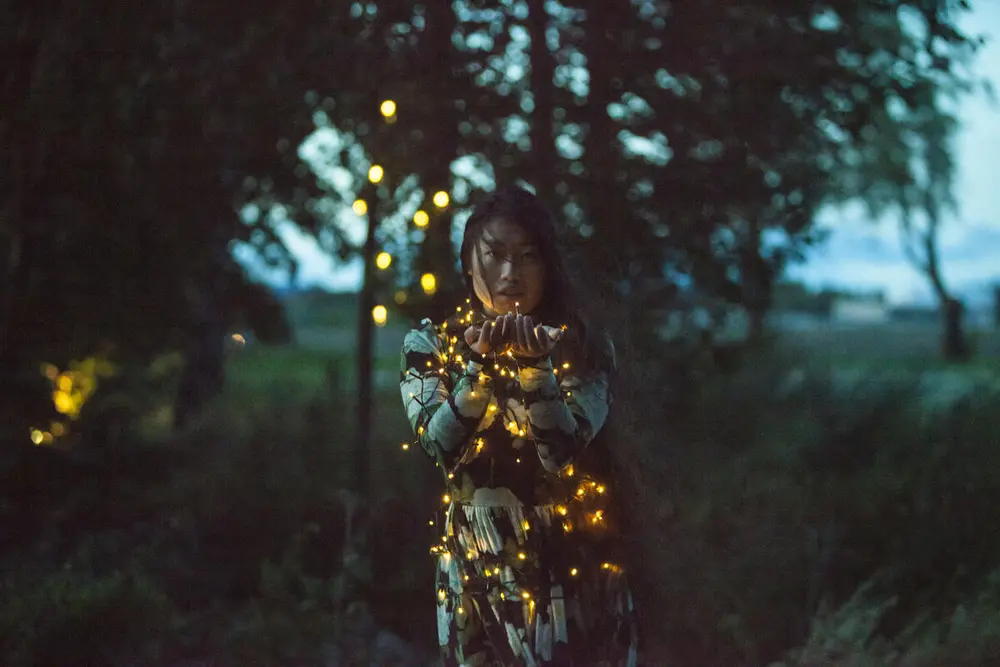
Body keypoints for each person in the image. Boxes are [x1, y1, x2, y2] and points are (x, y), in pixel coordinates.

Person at [399, 186, 640, 666]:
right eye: (495, 255)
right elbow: (440, 445)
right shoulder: (431, 344)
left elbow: (560, 452)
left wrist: (536, 370)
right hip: (473, 569)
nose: (510, 274)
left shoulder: (583, 348)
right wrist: (479, 370)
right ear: (469, 261)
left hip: (565, 567)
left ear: (548, 267)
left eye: (528, 257)